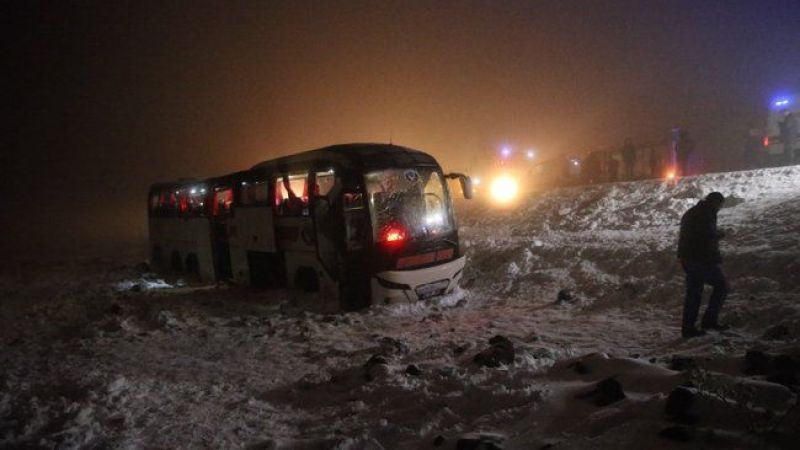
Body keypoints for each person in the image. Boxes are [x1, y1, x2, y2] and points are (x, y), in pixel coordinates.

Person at [677, 192, 729, 338]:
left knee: (695, 293)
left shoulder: (696, 212)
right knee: (720, 287)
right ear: (715, 203)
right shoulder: (705, 214)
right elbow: (704, 237)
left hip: (691, 258)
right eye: (720, 205)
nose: (719, 208)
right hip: (701, 259)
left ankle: (691, 327)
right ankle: (704, 323)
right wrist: (719, 235)